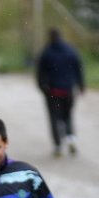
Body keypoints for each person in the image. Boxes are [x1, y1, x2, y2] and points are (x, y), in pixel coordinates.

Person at [36, 27, 85, 158]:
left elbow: (40, 72)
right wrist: (81, 85)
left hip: (52, 92)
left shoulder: (46, 52)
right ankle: (71, 140)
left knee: (54, 117)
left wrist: (42, 87)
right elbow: (79, 68)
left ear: (50, 37)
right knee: (67, 115)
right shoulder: (71, 50)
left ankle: (57, 146)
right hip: (68, 90)